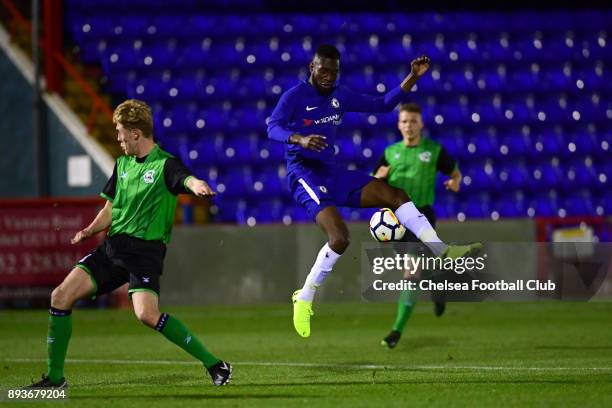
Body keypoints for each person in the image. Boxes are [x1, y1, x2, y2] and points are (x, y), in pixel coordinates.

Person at [267, 44, 480, 338]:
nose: (329, 76)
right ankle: (304, 296)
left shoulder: (340, 95)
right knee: (340, 238)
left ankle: (442, 249)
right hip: (304, 173)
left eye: (334, 70)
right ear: (311, 68)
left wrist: (412, 77)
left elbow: (382, 104)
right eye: (323, 69)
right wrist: (299, 140)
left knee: (396, 196)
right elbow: (272, 127)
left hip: (331, 171)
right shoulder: (295, 96)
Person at [26, 99, 232, 388]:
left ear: (136, 133)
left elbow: (184, 179)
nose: (119, 138)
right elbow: (110, 209)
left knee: (147, 315)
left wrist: (196, 185)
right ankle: (55, 380)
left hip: (143, 253)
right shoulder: (122, 165)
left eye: (121, 132)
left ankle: (215, 364)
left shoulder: (164, 164)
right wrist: (88, 230)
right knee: (60, 296)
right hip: (112, 249)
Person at [373, 102, 462, 349]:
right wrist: (378, 179)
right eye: (404, 121)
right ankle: (438, 287)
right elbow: (373, 184)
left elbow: (455, 173)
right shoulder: (390, 152)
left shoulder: (434, 150)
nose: (409, 126)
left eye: (413, 121)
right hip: (396, 219)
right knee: (418, 271)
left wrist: (454, 182)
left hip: (422, 215)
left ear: (421, 124)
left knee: (411, 272)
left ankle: (396, 330)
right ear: (398, 125)